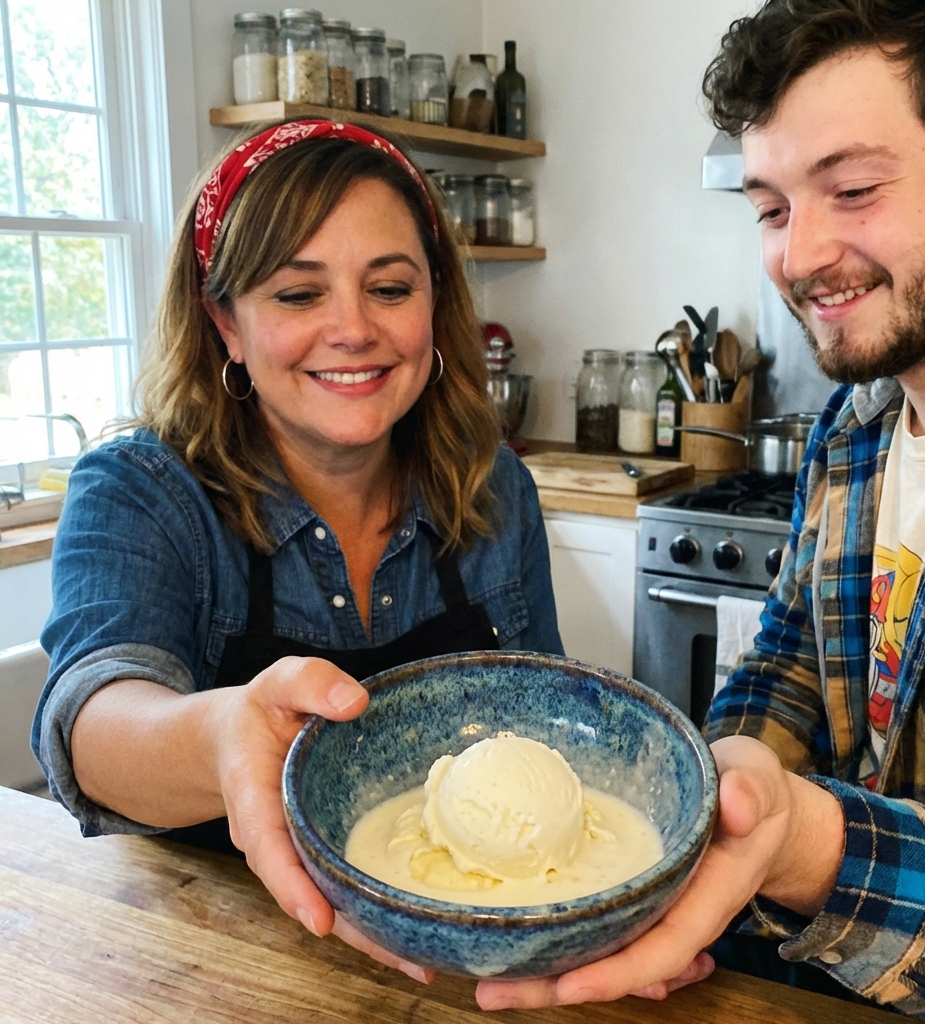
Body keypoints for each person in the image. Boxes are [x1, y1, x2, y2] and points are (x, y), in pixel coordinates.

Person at [473, 0, 925, 1017]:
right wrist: (720, 794)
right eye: (770, 208)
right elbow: (788, 660)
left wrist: (806, 840)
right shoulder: (854, 428)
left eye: (852, 190)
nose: (798, 256)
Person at [31, 119, 562, 970]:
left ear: (436, 304)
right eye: (298, 294)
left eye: (390, 288)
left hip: (478, 971)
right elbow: (92, 720)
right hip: (220, 971)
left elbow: (552, 725)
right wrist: (221, 736)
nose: (353, 329)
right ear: (226, 325)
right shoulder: (142, 493)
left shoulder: (493, 486)